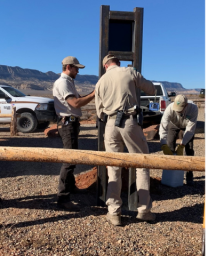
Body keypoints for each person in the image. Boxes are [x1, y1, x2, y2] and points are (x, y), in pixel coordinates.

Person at [95, 54, 156, 226]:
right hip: (129, 122)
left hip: (110, 125)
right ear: (117, 63)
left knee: (113, 167)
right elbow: (151, 89)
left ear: (105, 65)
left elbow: (99, 112)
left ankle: (114, 212)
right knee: (142, 164)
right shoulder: (129, 72)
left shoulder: (100, 82)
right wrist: (136, 75)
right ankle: (144, 210)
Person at [52, 56, 95, 211]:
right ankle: (63, 198)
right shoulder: (63, 82)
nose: (78, 71)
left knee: (72, 157)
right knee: (69, 160)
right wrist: (93, 94)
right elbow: (75, 103)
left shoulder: (68, 82)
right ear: (68, 67)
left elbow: (77, 101)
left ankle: (70, 187)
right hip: (67, 123)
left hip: (70, 122)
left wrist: (90, 94)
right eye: (76, 68)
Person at [160, 94, 198, 185]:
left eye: (180, 109)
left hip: (187, 126)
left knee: (189, 149)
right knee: (169, 146)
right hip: (174, 124)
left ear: (186, 105)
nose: (177, 111)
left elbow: (190, 130)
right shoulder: (169, 108)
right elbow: (163, 126)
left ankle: (189, 175)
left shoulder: (193, 109)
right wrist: (163, 143)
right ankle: (170, 175)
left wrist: (182, 144)